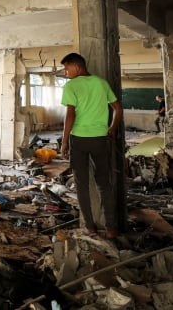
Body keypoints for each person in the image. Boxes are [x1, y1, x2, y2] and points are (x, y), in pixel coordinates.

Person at [59, 53, 123, 239]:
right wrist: (112, 129)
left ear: (77, 67)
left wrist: (64, 142)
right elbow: (118, 108)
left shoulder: (71, 86)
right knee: (104, 183)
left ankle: (90, 227)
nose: (65, 72)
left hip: (78, 140)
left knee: (82, 185)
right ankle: (111, 228)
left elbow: (70, 115)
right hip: (100, 140)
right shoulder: (101, 83)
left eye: (67, 68)